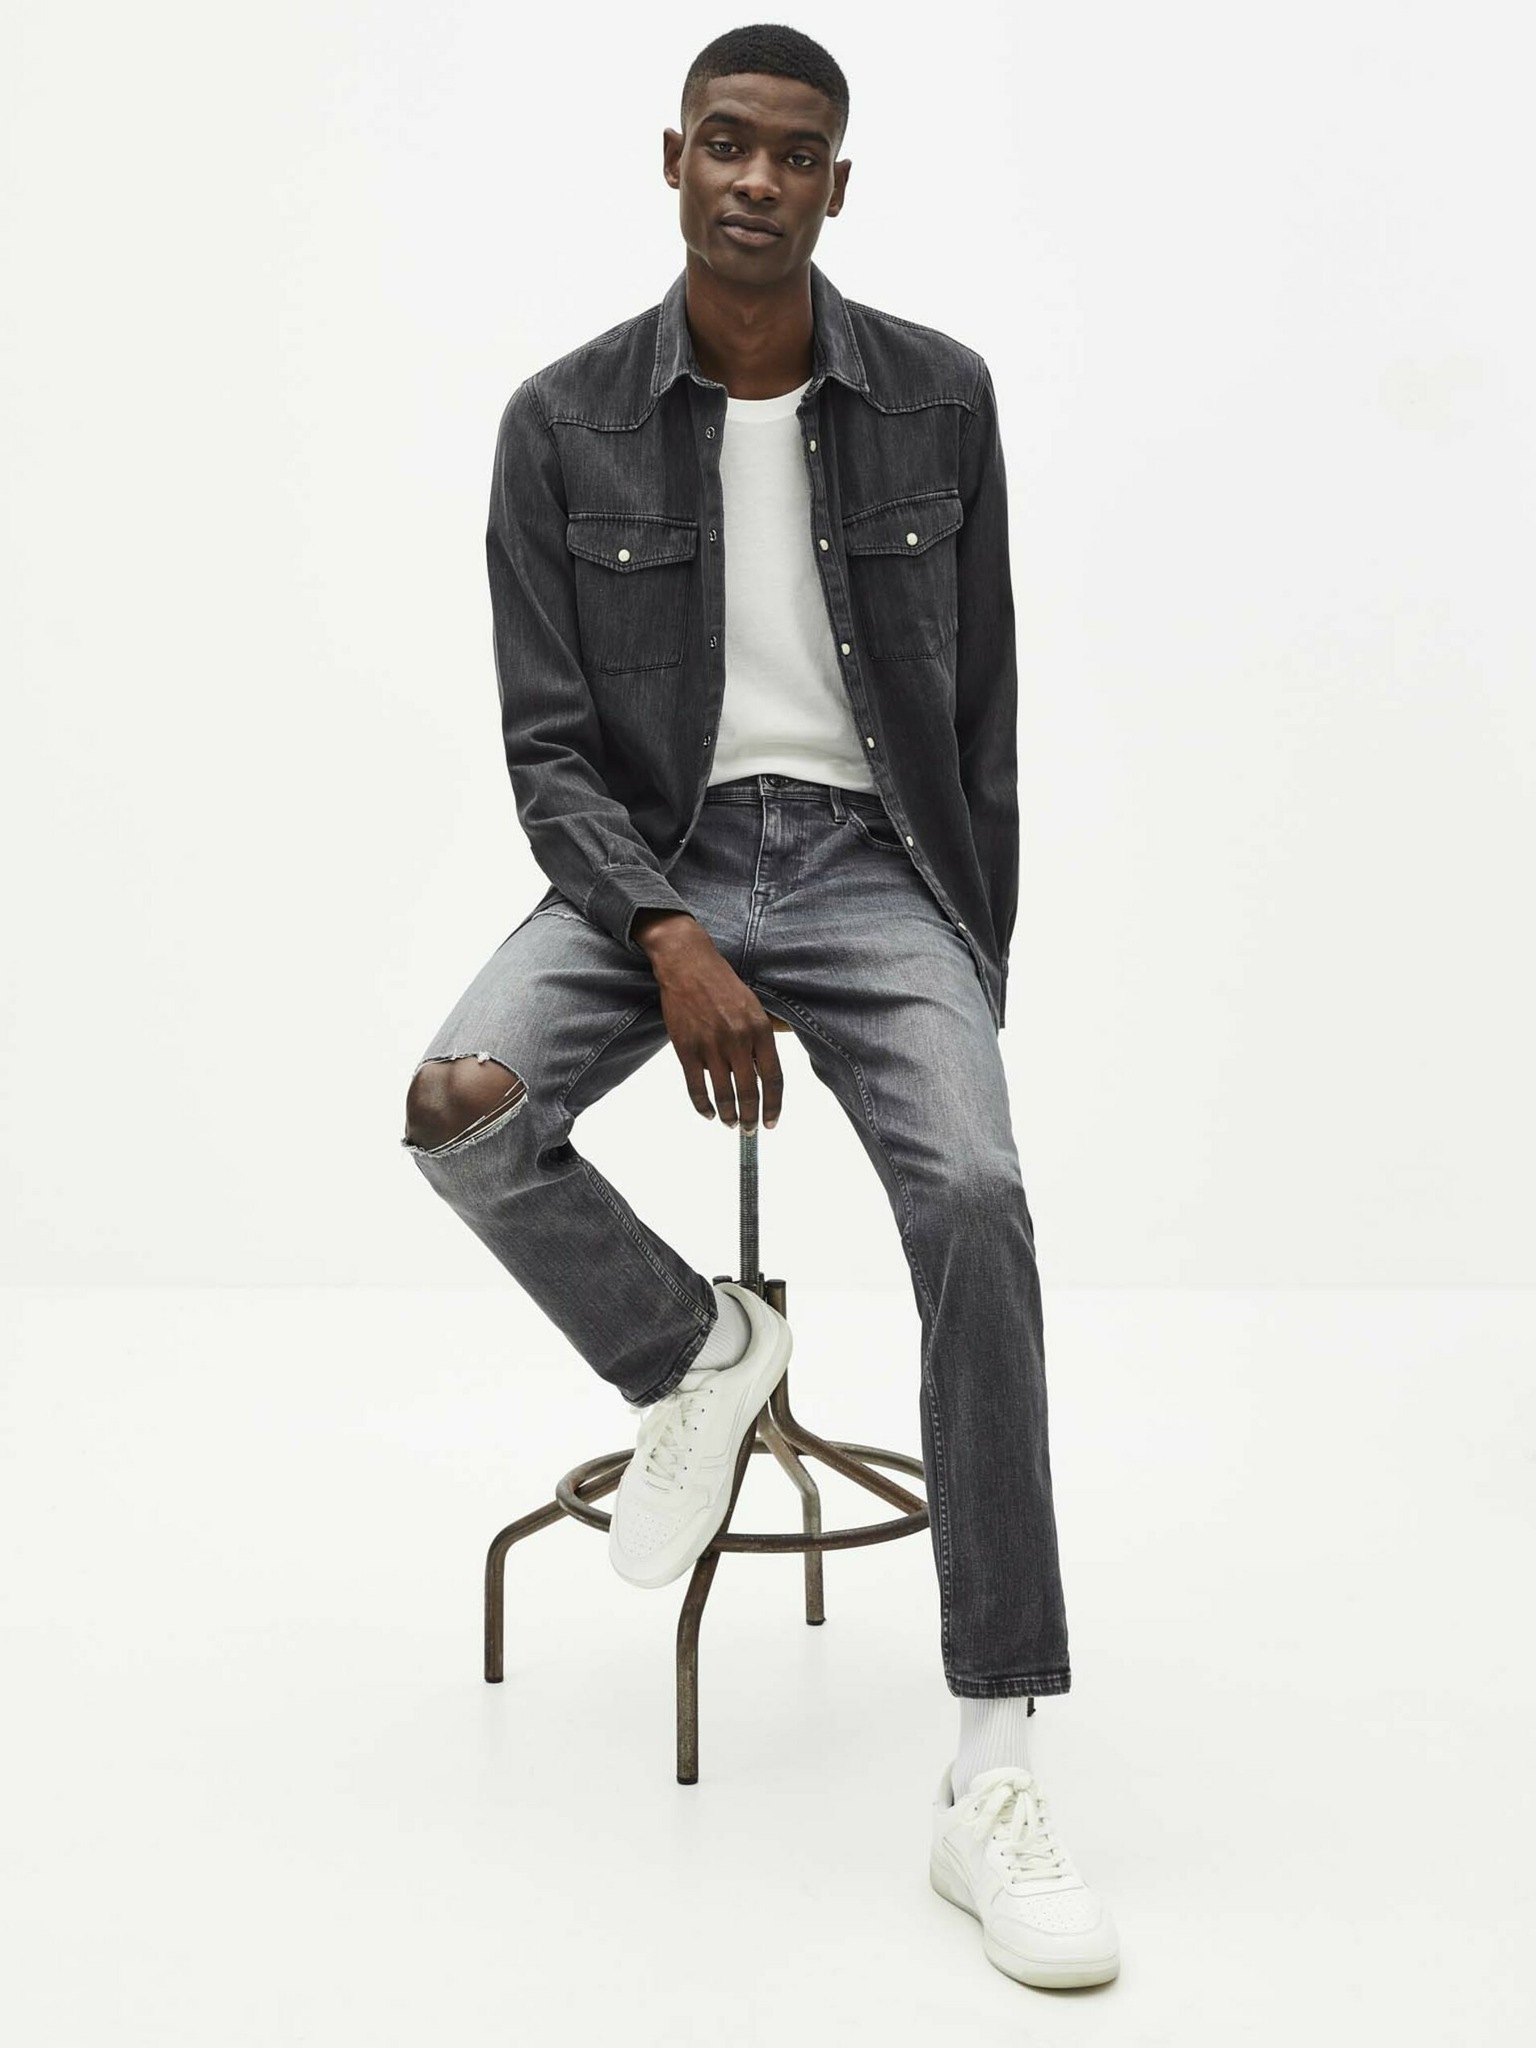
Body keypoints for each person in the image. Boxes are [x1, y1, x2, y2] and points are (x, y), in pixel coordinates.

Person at [399, 22, 1119, 1992]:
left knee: (976, 1194)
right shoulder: (562, 421)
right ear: (675, 159)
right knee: (461, 1100)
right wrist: (664, 929)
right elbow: (549, 746)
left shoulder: (938, 397)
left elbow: (985, 709)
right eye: (728, 143)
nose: (757, 180)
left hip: (880, 865)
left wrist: (965, 952)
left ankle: (995, 1763)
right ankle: (694, 1352)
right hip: (653, 859)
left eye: (796, 155)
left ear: (836, 186)